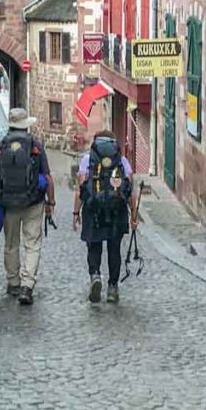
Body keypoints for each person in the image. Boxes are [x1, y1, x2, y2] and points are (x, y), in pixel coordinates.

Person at [0, 108, 55, 305]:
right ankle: (27, 285)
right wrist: (50, 202)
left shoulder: (2, 146)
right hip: (33, 202)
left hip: (8, 203)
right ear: (26, 125)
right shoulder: (36, 146)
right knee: (32, 243)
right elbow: (49, 178)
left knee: (11, 244)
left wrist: (5, 183)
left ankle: (13, 282)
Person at [72, 130, 138, 304]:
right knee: (114, 249)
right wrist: (133, 215)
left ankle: (95, 276)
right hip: (117, 211)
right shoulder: (122, 161)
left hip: (93, 210)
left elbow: (80, 189)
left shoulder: (87, 160)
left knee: (94, 246)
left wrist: (76, 213)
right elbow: (130, 189)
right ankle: (113, 288)